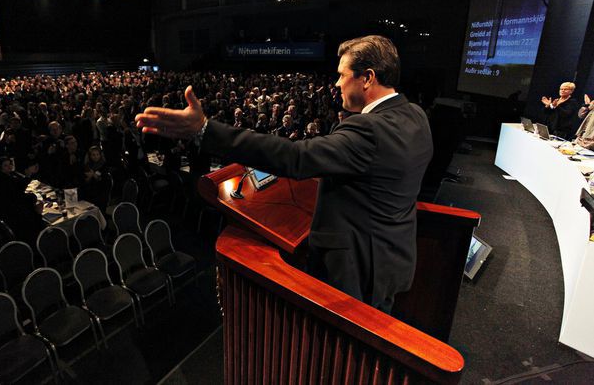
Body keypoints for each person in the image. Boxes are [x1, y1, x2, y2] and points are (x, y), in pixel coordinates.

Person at [136, 35, 433, 313]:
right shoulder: (415, 115)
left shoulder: (368, 129)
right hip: (393, 260)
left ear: (367, 77)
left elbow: (296, 157)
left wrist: (204, 130)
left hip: (357, 272)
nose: (337, 83)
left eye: (342, 75)